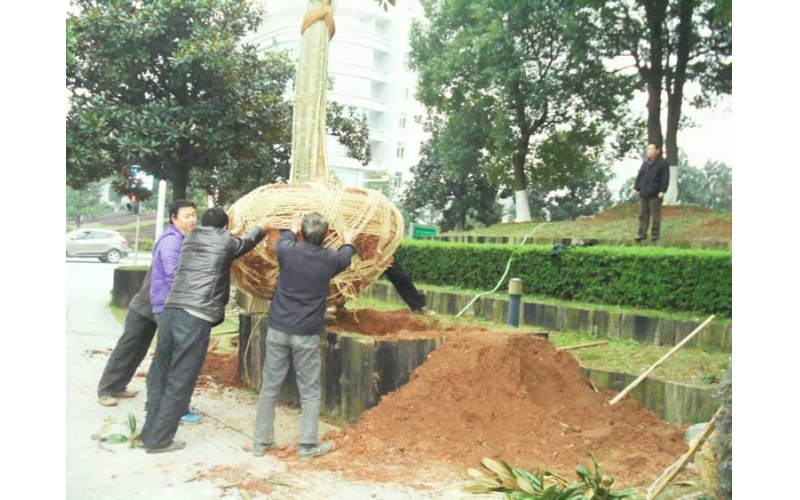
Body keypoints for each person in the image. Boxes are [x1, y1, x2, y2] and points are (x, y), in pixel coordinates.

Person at [139, 208, 273, 453]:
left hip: (171, 310)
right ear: (224, 226)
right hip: (195, 315)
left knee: (161, 371)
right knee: (181, 378)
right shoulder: (226, 241)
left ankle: (149, 433)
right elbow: (243, 244)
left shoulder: (191, 237)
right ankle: (159, 441)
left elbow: (222, 241)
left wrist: (232, 230)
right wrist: (261, 227)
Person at [253, 212, 358, 461]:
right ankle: (307, 446)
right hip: (306, 333)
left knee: (269, 388)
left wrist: (292, 226)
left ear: (302, 232)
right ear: (326, 236)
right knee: (310, 392)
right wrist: (350, 240)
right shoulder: (330, 259)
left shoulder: (287, 250)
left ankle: (261, 442)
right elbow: (346, 253)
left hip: (278, 329)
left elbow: (286, 237)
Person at [149, 199, 202, 424]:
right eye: (186, 216)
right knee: (176, 360)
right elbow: (173, 275)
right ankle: (174, 410)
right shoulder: (172, 242)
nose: (192, 219)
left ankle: (162, 405)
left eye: (193, 215)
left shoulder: (182, 238)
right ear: (174, 218)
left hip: (171, 305)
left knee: (169, 358)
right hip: (169, 307)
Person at [96, 270, 157, 406]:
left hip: (155, 312)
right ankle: (105, 391)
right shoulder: (169, 250)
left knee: (139, 352)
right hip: (142, 308)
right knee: (126, 350)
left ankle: (118, 387)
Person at [634, 143, 670, 242]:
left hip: (655, 193)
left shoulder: (663, 163)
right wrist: (636, 187)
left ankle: (655, 235)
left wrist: (663, 190)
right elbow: (640, 175)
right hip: (644, 192)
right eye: (648, 149)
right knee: (643, 214)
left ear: (657, 151)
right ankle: (641, 234)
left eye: (652, 149)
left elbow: (665, 178)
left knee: (655, 215)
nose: (649, 151)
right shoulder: (646, 163)